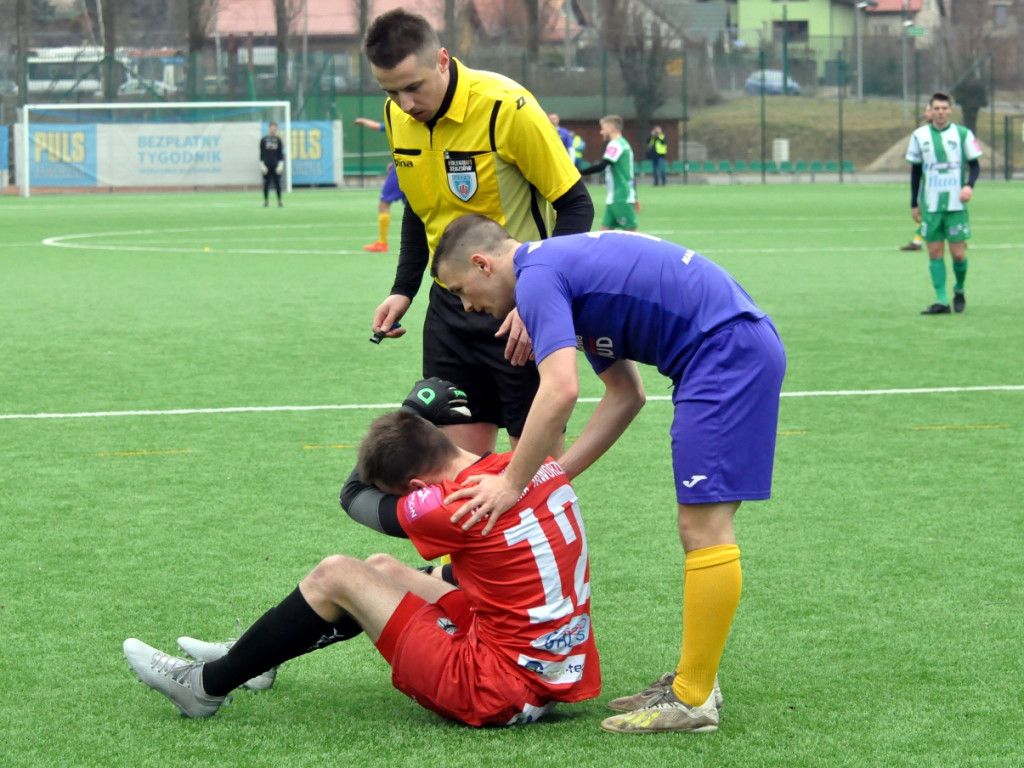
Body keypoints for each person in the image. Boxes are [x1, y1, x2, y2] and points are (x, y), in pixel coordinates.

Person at [430, 215, 787, 735]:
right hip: (726, 350)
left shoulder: (537, 277)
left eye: (463, 290)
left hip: (725, 353)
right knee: (700, 527)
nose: (466, 307)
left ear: (483, 263)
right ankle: (694, 681)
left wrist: (513, 484)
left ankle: (693, 699)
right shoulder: (554, 273)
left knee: (702, 528)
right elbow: (626, 396)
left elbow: (560, 390)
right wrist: (551, 476)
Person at [123, 382, 601, 727]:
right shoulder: (532, 469)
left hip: (496, 687)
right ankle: (256, 658)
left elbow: (353, 496)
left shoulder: (453, 502)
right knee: (381, 570)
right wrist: (409, 426)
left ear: (415, 487)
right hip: (551, 666)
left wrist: (401, 417)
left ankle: (204, 687)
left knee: (338, 574)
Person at [363, 8, 594, 456]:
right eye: (390, 91)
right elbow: (417, 205)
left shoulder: (508, 108)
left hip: (516, 313)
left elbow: (575, 205)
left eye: (414, 87)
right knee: (459, 475)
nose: (405, 103)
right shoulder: (396, 115)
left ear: (443, 60)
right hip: (449, 312)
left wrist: (540, 299)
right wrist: (403, 289)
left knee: (535, 480)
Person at [905, 92, 982, 315]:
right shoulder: (919, 136)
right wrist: (914, 202)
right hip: (930, 205)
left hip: (956, 205)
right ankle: (941, 301)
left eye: (943, 108)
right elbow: (916, 171)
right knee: (934, 251)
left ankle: (959, 289)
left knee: (958, 253)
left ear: (950, 110)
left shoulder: (963, 134)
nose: (940, 112)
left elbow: (975, 166)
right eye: (936, 108)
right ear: (930, 110)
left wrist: (969, 186)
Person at [354, 116, 407, 252]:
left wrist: (363, 121)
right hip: (411, 167)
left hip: (400, 169)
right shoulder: (415, 122)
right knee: (415, 208)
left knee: (384, 204)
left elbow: (375, 126)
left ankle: (382, 243)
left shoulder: (397, 121)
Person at [579, 115, 638, 231]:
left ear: (611, 128)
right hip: (615, 197)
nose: (601, 132)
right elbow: (630, 174)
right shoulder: (624, 143)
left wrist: (579, 172)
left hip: (621, 196)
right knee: (604, 234)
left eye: (603, 128)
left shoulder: (616, 144)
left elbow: (602, 165)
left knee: (632, 233)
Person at [899, 104, 933, 252]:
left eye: (929, 110)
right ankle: (918, 242)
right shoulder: (920, 135)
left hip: (945, 184)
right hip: (928, 183)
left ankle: (959, 238)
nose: (926, 114)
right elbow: (916, 167)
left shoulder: (953, 134)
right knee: (924, 212)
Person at [259, 122, 284, 208]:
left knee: (277, 183)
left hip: (275, 164)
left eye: (275, 128)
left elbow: (280, 153)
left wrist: (281, 164)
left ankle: (279, 201)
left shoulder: (278, 140)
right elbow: (261, 153)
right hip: (266, 164)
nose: (274, 130)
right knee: (266, 183)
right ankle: (266, 201)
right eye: (272, 128)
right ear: (269, 128)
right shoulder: (264, 140)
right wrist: (261, 164)